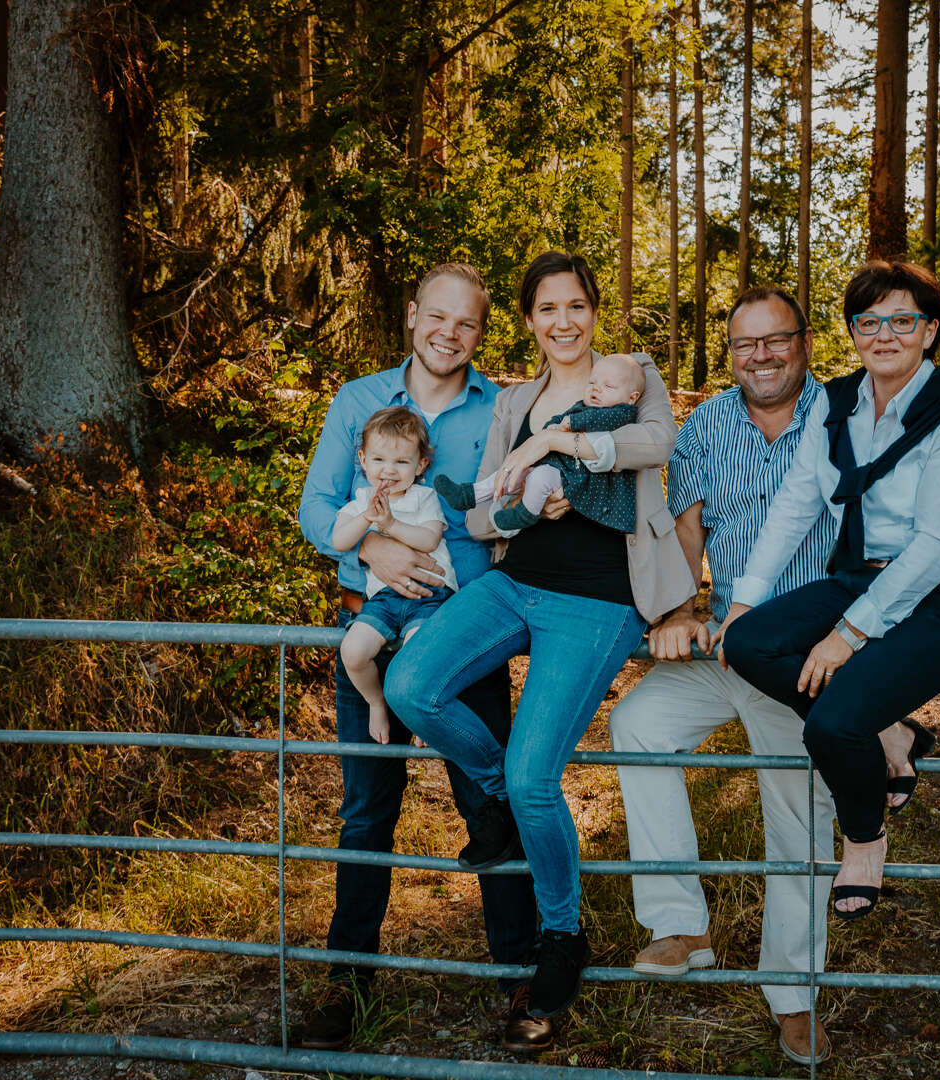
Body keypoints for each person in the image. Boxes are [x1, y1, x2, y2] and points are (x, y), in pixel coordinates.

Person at [609, 284, 940, 1065]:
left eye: (776, 339)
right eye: (745, 344)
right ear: (731, 353)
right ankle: (681, 923)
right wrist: (683, 611)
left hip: (822, 649)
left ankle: (794, 994)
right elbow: (685, 525)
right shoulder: (709, 421)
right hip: (739, 641)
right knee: (637, 724)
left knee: (798, 818)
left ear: (807, 341)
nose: (761, 356)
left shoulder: (851, 406)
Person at [386, 251, 695, 1022]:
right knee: (411, 685)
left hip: (599, 599)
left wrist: (568, 447)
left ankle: (562, 935)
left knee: (537, 775)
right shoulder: (514, 400)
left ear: (595, 311)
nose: (564, 322)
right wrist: (524, 509)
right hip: (515, 580)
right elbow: (480, 516)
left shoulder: (630, 373)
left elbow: (659, 442)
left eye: (577, 306)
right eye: (547, 309)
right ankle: (493, 801)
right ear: (528, 321)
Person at [296, 263, 553, 1053]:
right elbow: (315, 506)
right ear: (412, 316)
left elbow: (513, 506)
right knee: (367, 807)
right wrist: (377, 541)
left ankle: (520, 969)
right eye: (437, 317)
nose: (450, 333)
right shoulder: (357, 401)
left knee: (490, 795)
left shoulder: (503, 408)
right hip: (371, 619)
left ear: (482, 332)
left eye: (467, 323)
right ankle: (347, 979)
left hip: (468, 633)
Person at [718, 260, 940, 929]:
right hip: (860, 575)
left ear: (930, 330)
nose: (884, 334)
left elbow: (939, 546)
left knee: (830, 723)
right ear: (852, 331)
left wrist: (847, 634)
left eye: (902, 320)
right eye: (868, 320)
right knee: (749, 642)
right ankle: (893, 729)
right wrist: (744, 598)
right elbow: (795, 504)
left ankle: (864, 837)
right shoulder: (836, 401)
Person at [332, 406, 458, 745]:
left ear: (420, 466)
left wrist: (390, 524)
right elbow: (339, 540)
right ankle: (376, 702)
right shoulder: (361, 501)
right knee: (354, 651)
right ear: (362, 459)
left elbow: (429, 539)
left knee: (421, 654)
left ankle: (419, 713)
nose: (389, 470)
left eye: (402, 462)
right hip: (384, 598)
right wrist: (367, 519)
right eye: (379, 460)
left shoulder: (424, 497)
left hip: (429, 595)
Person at [433, 351, 645, 533]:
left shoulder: (622, 413)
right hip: (558, 466)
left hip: (573, 476)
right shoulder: (583, 405)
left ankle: (526, 513)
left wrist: (570, 424)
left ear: (631, 397)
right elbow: (562, 417)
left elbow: (598, 420)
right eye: (592, 383)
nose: (596, 389)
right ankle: (468, 494)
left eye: (607, 386)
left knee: (539, 480)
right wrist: (552, 427)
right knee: (509, 474)